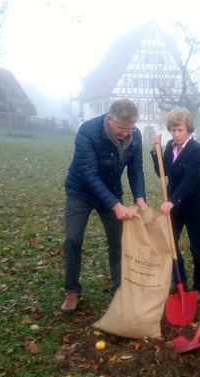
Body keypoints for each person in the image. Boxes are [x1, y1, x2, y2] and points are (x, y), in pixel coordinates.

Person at [61, 99, 148, 313]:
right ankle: (72, 290)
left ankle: (119, 287)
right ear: (109, 119)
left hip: (112, 192)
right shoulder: (88, 132)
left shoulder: (134, 136)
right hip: (81, 192)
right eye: (120, 129)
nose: (125, 134)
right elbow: (89, 174)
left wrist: (140, 198)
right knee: (72, 239)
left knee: (118, 240)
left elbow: (136, 170)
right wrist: (115, 205)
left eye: (130, 129)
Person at [150, 107, 200, 295]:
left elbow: (189, 181)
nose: (176, 134)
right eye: (173, 130)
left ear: (189, 129)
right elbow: (163, 172)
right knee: (170, 243)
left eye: (180, 130)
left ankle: (199, 287)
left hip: (195, 207)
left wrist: (171, 201)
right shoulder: (170, 146)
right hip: (175, 206)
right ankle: (180, 281)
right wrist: (155, 151)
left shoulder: (196, 150)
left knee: (196, 246)